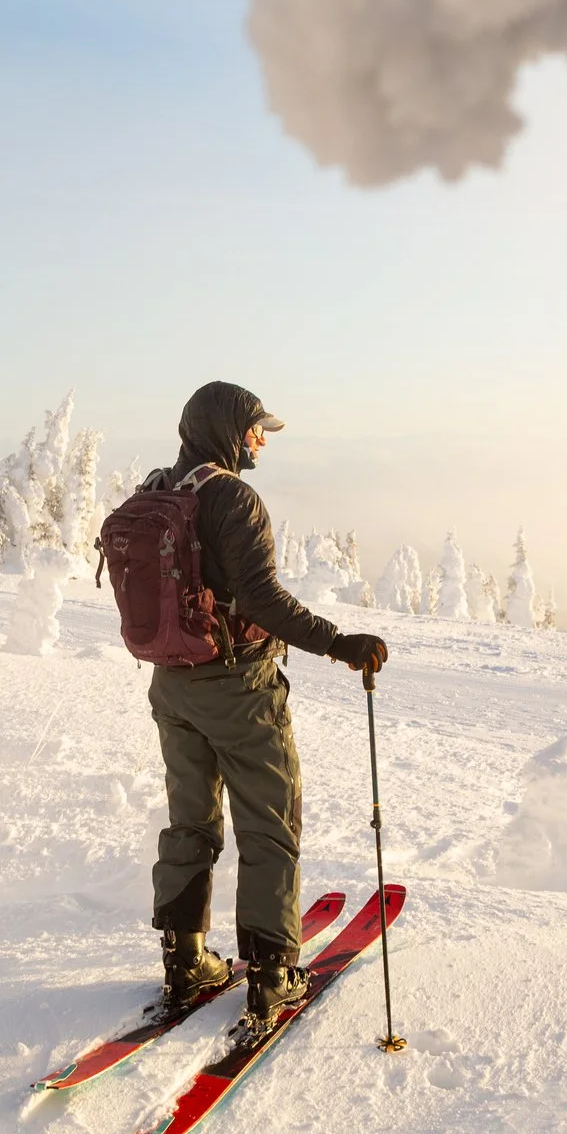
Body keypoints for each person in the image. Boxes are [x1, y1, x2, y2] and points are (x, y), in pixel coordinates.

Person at [144, 381, 387, 1025]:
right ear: (226, 430)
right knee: (269, 823)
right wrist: (341, 643)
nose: (260, 443)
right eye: (255, 431)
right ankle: (273, 974)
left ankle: (186, 959)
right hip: (238, 688)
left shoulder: (157, 488)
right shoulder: (234, 498)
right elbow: (261, 602)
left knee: (190, 821)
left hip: (171, 688)